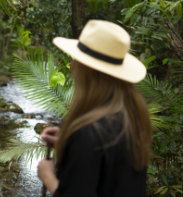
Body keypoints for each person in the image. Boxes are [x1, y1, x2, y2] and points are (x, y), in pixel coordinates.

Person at [37, 20, 152, 197]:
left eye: (76, 60)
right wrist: (68, 147)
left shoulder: (88, 132)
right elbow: (108, 171)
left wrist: (48, 176)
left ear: (85, 71)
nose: (72, 65)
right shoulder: (133, 117)